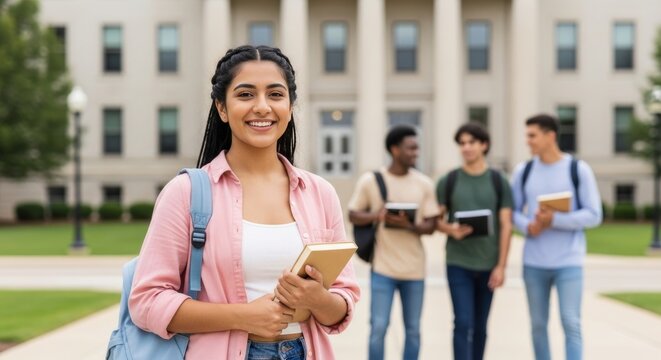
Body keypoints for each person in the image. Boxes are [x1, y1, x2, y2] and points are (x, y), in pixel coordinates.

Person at [128, 45, 360, 360]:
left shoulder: (319, 193)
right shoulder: (185, 193)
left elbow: (343, 302)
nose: (262, 107)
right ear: (222, 108)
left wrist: (318, 299)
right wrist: (242, 317)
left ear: (290, 107)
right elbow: (146, 301)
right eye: (246, 95)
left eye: (276, 95)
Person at [511, 114, 602, 360]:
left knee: (571, 322)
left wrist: (555, 220)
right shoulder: (524, 171)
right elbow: (511, 213)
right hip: (534, 263)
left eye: (532, 135)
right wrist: (528, 225)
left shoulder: (577, 170)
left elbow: (594, 215)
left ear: (550, 136)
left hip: (568, 262)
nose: (527, 141)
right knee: (538, 326)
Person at [348, 125, 440, 360]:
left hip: (414, 270)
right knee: (378, 328)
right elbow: (353, 214)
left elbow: (431, 226)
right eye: (411, 148)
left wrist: (408, 224)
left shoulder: (424, 184)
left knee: (413, 330)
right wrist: (378, 216)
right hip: (383, 269)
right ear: (395, 149)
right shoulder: (371, 180)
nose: (415, 153)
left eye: (417, 148)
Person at [435, 123, 513, 360]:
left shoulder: (499, 181)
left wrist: (501, 266)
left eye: (471, 142)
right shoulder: (448, 180)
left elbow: (506, 225)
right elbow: (436, 221)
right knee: (463, 322)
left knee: (480, 326)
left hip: (488, 264)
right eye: (462, 143)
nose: (466, 147)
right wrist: (451, 230)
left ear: (484, 145)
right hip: (458, 262)